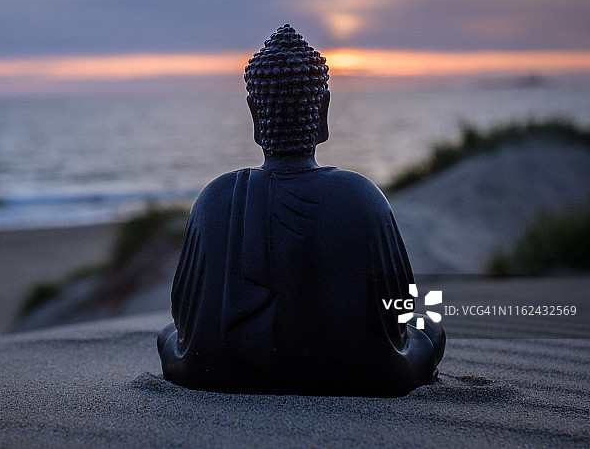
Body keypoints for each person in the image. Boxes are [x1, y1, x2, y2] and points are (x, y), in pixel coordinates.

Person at [157, 24, 445, 396]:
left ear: (255, 117)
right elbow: (400, 307)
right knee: (429, 329)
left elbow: (183, 313)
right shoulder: (362, 195)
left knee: (166, 337)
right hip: (357, 372)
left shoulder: (214, 197)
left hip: (218, 371)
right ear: (323, 112)